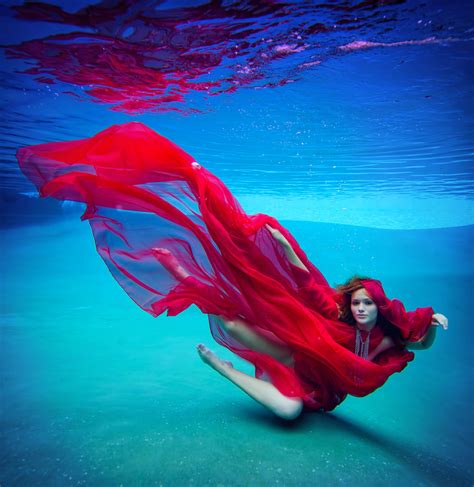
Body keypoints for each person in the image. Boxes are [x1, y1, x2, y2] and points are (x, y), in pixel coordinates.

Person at [16, 121, 448, 421]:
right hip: (297, 353)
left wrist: (432, 325)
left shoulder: (385, 338)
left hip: (320, 389)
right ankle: (176, 264)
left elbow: (419, 342)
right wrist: (275, 238)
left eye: (366, 304)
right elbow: (305, 278)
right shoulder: (334, 314)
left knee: (289, 411)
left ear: (377, 306)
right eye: (356, 302)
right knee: (229, 320)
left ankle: (221, 366)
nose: (360, 309)